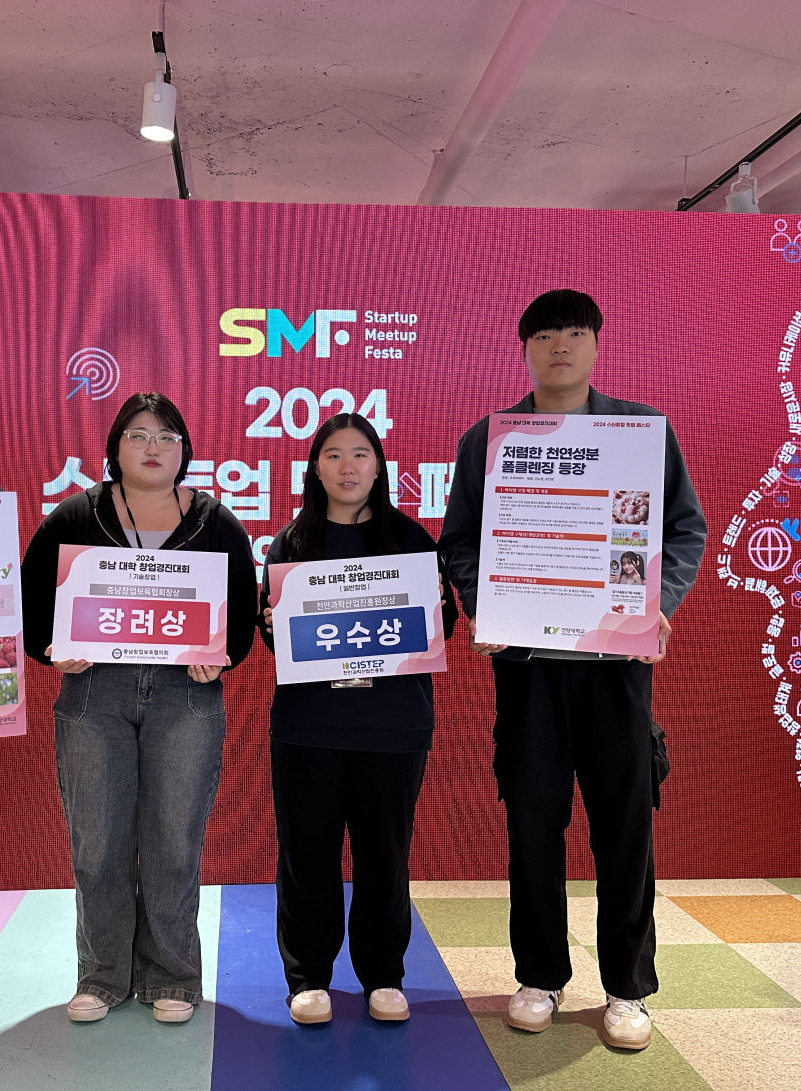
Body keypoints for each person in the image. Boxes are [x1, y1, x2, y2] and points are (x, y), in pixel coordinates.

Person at [439, 290, 706, 1051]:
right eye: (546, 334)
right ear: (525, 348)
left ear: (596, 344)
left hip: (615, 665)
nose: (560, 345)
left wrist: (659, 603)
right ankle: (539, 976)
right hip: (527, 669)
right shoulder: (490, 439)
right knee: (532, 826)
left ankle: (628, 987)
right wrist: (483, 604)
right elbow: (459, 541)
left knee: (625, 828)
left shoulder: (641, 432)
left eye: (575, 332)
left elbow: (684, 528)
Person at [20, 392, 257, 1025]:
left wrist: (223, 658)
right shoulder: (76, 515)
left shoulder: (215, 520)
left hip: (187, 696)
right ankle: (101, 976)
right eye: (138, 436)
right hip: (94, 694)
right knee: (98, 843)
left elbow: (240, 612)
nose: (153, 448)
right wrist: (52, 651)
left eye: (166, 437)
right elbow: (31, 604)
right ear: (115, 447)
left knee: (174, 842)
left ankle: (172, 976)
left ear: (184, 449)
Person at [258, 414, 458, 1026]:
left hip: (392, 727)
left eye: (360, 454)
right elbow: (278, 641)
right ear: (315, 469)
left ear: (378, 466)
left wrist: (437, 608)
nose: (347, 466)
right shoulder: (290, 544)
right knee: (306, 855)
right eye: (333, 455)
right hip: (309, 727)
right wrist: (270, 625)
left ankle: (384, 975)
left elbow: (441, 627)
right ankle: (308, 977)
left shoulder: (412, 540)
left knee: (384, 857)